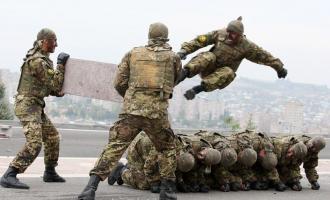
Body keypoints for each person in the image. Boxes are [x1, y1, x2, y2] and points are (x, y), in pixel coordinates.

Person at [78, 22, 182, 200]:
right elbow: (175, 80)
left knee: (114, 147)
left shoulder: (133, 54)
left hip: (131, 111)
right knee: (167, 148)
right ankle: (167, 192)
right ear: (165, 37)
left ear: (149, 36)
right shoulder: (173, 57)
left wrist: (130, 98)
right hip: (156, 113)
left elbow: (118, 82)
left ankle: (90, 189)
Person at [0, 28, 69, 189]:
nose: (56, 44)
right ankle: (10, 174)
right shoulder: (37, 61)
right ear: (44, 41)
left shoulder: (42, 60)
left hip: (36, 106)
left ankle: (50, 172)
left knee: (52, 137)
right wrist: (61, 66)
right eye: (54, 40)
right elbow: (55, 84)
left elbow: (51, 89)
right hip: (27, 106)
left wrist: (58, 91)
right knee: (35, 143)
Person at [176, 16, 287, 100]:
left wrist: (279, 68)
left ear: (239, 35)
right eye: (228, 32)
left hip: (219, 76)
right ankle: (182, 75)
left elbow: (265, 57)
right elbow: (200, 41)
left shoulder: (247, 46)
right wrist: (184, 51)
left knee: (229, 71)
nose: (229, 35)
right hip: (207, 67)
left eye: (233, 34)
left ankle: (196, 90)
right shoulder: (220, 34)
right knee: (208, 56)